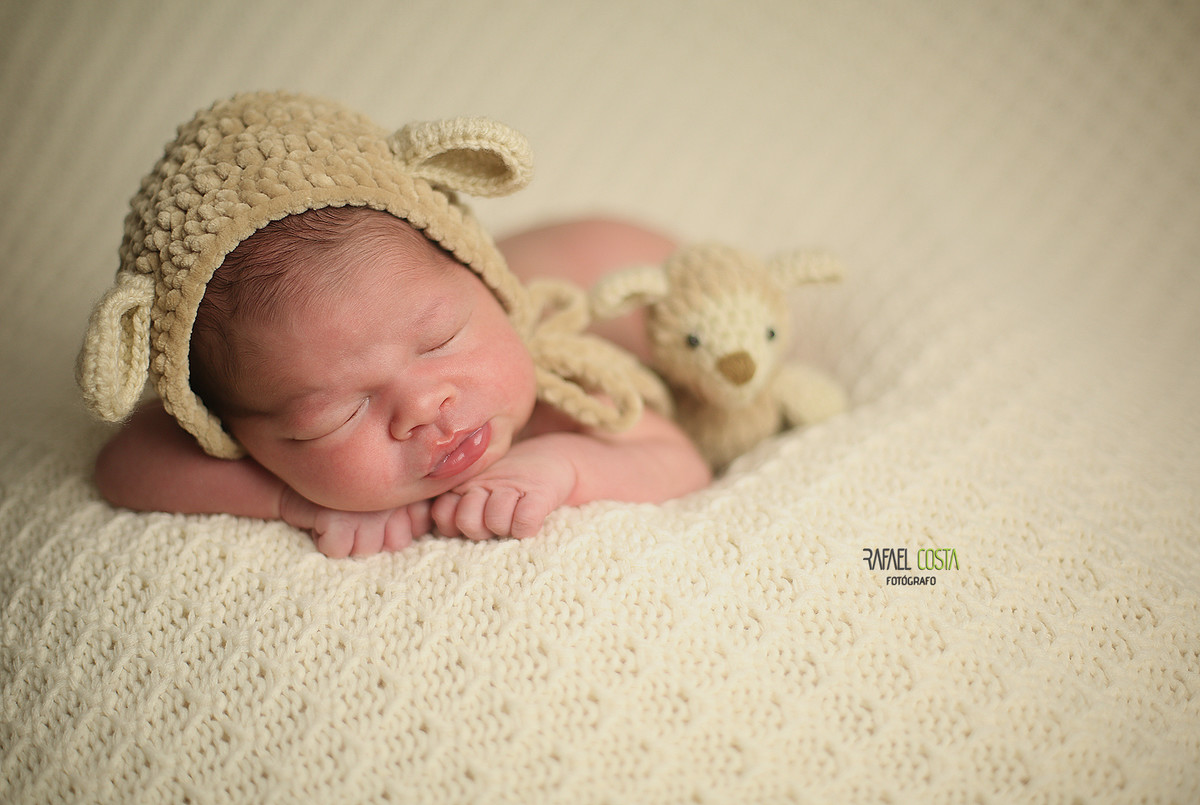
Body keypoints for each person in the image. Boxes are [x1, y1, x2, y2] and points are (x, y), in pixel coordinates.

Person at [78, 91, 710, 558]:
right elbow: (124, 463)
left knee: (663, 285)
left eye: (441, 340)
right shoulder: (257, 406)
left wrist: (567, 466)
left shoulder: (556, 392)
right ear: (227, 430)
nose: (424, 407)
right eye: (336, 416)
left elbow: (677, 460)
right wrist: (288, 500)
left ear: (486, 287)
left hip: (621, 278)